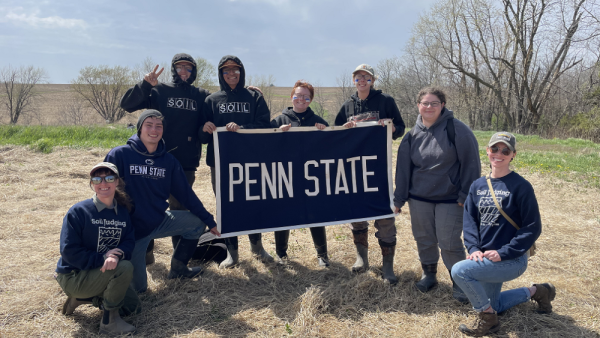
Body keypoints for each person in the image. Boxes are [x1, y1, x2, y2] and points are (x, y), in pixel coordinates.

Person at [451, 132, 555, 336]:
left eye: (505, 150)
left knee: (460, 271)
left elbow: (533, 227)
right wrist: (473, 249)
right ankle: (539, 291)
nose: (499, 154)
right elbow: (470, 220)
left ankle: (488, 319)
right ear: (487, 151)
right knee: (496, 303)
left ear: (513, 154)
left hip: (512, 260)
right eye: (495, 149)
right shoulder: (477, 185)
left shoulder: (521, 186)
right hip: (485, 258)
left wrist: (504, 252)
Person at [105, 109, 220, 293]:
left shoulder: (169, 161)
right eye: (148, 125)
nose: (154, 130)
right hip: (132, 231)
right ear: (140, 128)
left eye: (159, 126)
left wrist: (208, 219)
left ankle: (178, 269)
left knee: (197, 223)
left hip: (159, 220)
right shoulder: (119, 155)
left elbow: (186, 195)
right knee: (140, 291)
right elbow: (104, 194)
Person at [120, 53, 210, 264]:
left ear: (194, 71)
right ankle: (146, 253)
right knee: (146, 206)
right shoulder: (159, 90)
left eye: (188, 68)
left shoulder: (201, 95)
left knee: (180, 210)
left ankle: (179, 259)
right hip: (154, 160)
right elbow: (127, 105)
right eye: (180, 68)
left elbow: (215, 112)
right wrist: (144, 85)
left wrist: (248, 93)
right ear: (173, 70)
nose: (184, 72)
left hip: (185, 164)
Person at [393, 87, 480, 302]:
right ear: (418, 105)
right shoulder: (412, 135)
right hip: (419, 199)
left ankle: (460, 282)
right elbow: (403, 170)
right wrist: (399, 199)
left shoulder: (457, 130)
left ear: (442, 105)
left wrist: (464, 195)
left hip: (450, 199)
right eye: (425, 103)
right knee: (424, 239)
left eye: (434, 103)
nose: (429, 107)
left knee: (449, 243)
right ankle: (429, 275)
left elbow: (471, 164)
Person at [335, 64, 406, 284]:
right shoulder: (348, 105)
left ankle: (388, 267)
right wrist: (344, 129)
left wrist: (391, 127)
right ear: (354, 81)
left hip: (379, 168)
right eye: (358, 77)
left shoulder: (386, 101)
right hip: (355, 168)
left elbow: (401, 127)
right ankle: (361, 258)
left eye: (366, 77)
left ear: (372, 80)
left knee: (384, 216)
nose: (362, 80)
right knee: (357, 215)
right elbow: (335, 134)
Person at [202, 55, 272, 269]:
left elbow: (264, 125)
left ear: (241, 72)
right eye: (226, 70)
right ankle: (232, 253)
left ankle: (257, 247)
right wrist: (204, 129)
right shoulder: (212, 100)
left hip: (250, 160)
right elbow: (203, 136)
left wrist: (243, 128)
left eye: (235, 70)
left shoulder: (254, 97)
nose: (231, 74)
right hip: (221, 163)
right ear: (220, 74)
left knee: (252, 202)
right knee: (226, 206)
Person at [56, 162, 139, 335]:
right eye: (97, 179)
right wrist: (102, 258)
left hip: (102, 272)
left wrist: (118, 254)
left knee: (133, 308)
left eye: (109, 178)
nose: (103, 183)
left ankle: (82, 299)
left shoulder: (122, 212)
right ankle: (109, 323)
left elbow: (129, 240)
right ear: (92, 184)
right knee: (124, 268)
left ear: (117, 182)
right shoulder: (79, 211)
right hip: (75, 275)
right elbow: (69, 251)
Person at [270, 80, 330, 266]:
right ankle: (281, 254)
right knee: (283, 214)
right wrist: (275, 133)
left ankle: (322, 255)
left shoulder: (318, 121)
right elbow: (264, 147)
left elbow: (333, 147)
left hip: (311, 178)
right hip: (285, 176)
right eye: (298, 95)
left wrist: (325, 133)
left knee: (315, 214)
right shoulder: (279, 120)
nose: (301, 99)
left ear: (310, 100)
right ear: (291, 97)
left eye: (306, 96)